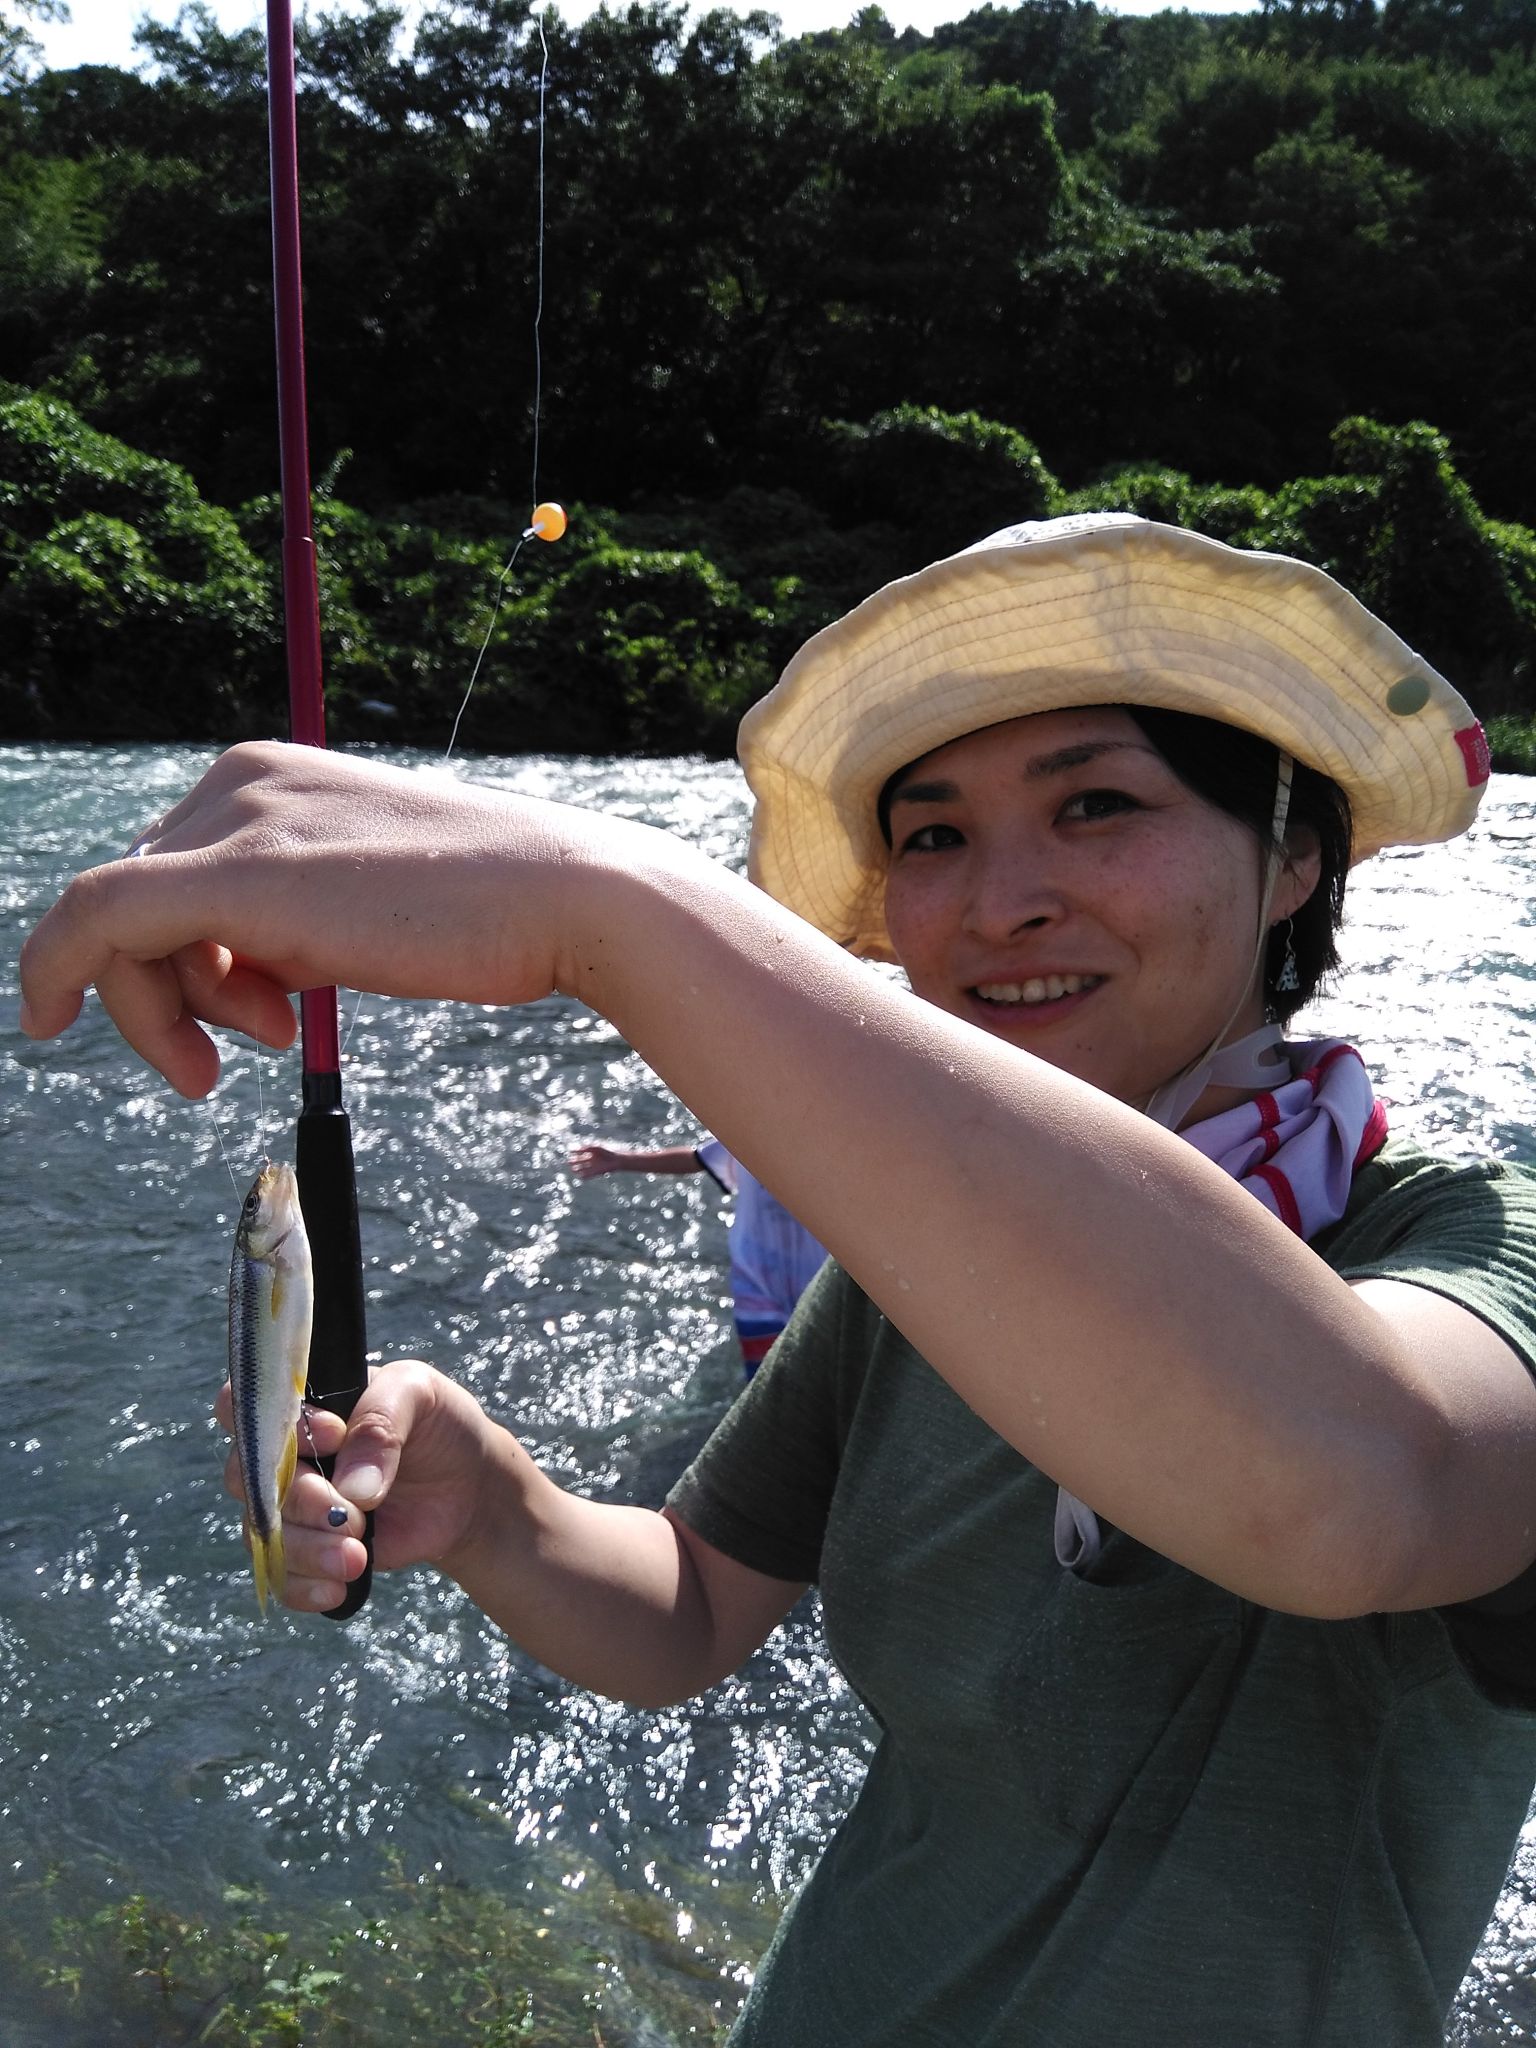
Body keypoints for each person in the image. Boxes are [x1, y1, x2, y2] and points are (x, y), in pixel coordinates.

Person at [19, 513, 1536, 2047]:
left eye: (1096, 803)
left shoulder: (1471, 1250)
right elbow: (685, 1611)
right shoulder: (901, 1273)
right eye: (932, 835)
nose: (1001, 898)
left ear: (1292, 856)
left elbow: (1354, 1497)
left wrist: (598, 912)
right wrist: (492, 1510)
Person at [569, 1133, 827, 1374]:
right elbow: (696, 1159)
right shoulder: (753, 1132)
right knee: (772, 1379)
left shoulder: (839, 1142)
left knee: (821, 1372)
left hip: (818, 1286)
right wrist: (622, 1160)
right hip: (756, 1289)